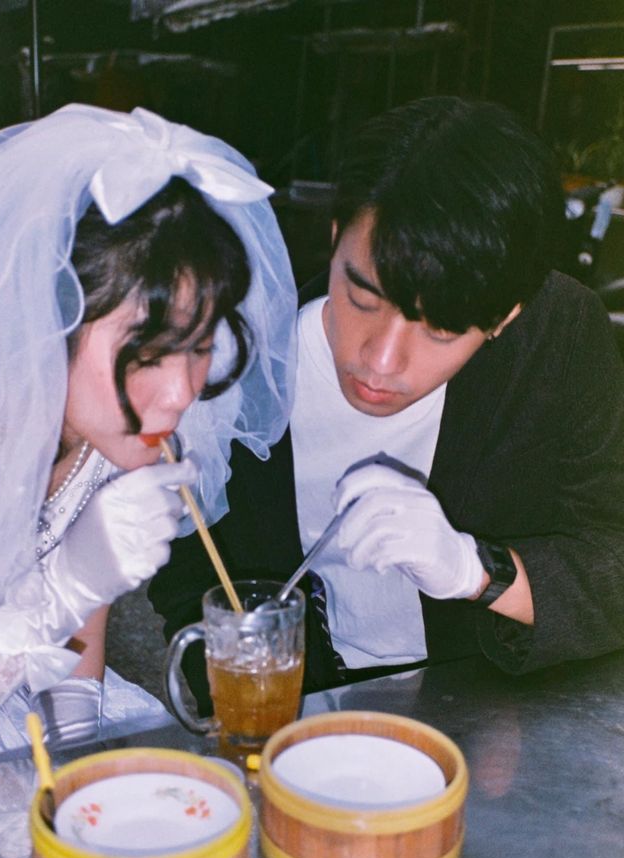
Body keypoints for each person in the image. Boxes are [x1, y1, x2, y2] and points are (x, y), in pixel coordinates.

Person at [149, 94, 624, 711]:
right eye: (363, 297)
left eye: (442, 330)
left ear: (505, 317)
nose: (379, 361)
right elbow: (192, 572)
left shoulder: (559, 336)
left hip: (494, 718)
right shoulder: (237, 352)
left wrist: (477, 571)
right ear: (335, 236)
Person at [0, 104, 297, 779]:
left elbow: (83, 632)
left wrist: (79, 753)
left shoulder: (106, 427)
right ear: (45, 325)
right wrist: (58, 593)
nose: (180, 392)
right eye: (148, 356)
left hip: (17, 698)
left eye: (198, 348)